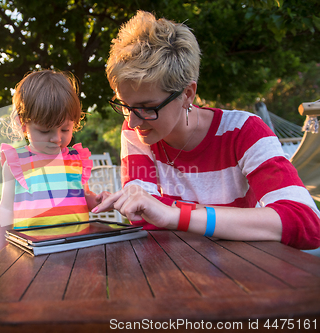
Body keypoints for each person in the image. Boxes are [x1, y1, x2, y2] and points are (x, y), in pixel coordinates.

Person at [92, 11, 320, 249]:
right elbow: (145, 219)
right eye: (126, 106)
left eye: (149, 108)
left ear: (187, 94)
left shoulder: (245, 131)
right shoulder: (136, 131)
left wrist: (175, 215)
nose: (134, 121)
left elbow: (306, 223)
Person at [0, 69, 108, 254]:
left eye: (65, 129)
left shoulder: (75, 159)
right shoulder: (16, 163)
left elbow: (82, 197)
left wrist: (96, 200)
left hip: (78, 246)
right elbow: (5, 210)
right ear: (23, 124)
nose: (56, 138)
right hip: (31, 249)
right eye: (45, 131)